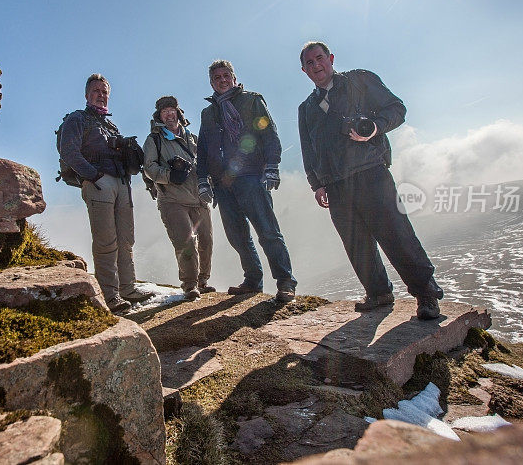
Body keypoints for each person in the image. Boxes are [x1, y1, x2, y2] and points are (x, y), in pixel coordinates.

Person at [297, 41, 445, 320]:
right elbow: (308, 149)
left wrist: (374, 127)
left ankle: (426, 294)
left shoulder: (360, 80)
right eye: (310, 63)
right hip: (336, 183)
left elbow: (396, 108)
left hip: (371, 172)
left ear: (331, 58)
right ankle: (378, 293)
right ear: (304, 70)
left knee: (396, 233)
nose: (316, 66)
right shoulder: (306, 108)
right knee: (356, 243)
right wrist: (316, 183)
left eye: (319, 59)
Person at [196, 59, 298, 303]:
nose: (222, 80)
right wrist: (202, 179)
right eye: (216, 78)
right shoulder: (208, 113)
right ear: (211, 83)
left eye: (225, 75)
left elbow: (269, 133)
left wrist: (272, 165)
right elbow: (202, 149)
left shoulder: (252, 100)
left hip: (252, 176)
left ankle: (285, 282)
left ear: (233, 77)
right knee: (237, 236)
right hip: (222, 183)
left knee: (267, 231)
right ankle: (252, 280)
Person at [57, 73, 151, 313]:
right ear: (87, 94)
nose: (101, 95)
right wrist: (92, 175)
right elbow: (68, 150)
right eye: (96, 91)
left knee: (125, 240)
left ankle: (128, 288)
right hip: (99, 182)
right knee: (106, 240)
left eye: (105, 92)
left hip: (121, 183)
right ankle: (110, 295)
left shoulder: (109, 125)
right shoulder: (78, 119)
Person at [143, 96, 215, 301]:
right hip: (172, 199)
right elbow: (149, 167)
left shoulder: (191, 137)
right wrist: (169, 175)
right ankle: (190, 285)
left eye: (171, 110)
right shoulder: (154, 139)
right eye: (164, 111)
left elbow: (205, 162)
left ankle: (203, 280)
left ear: (177, 112)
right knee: (185, 243)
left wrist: (210, 184)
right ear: (159, 116)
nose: (168, 114)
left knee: (207, 241)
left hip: (198, 198)